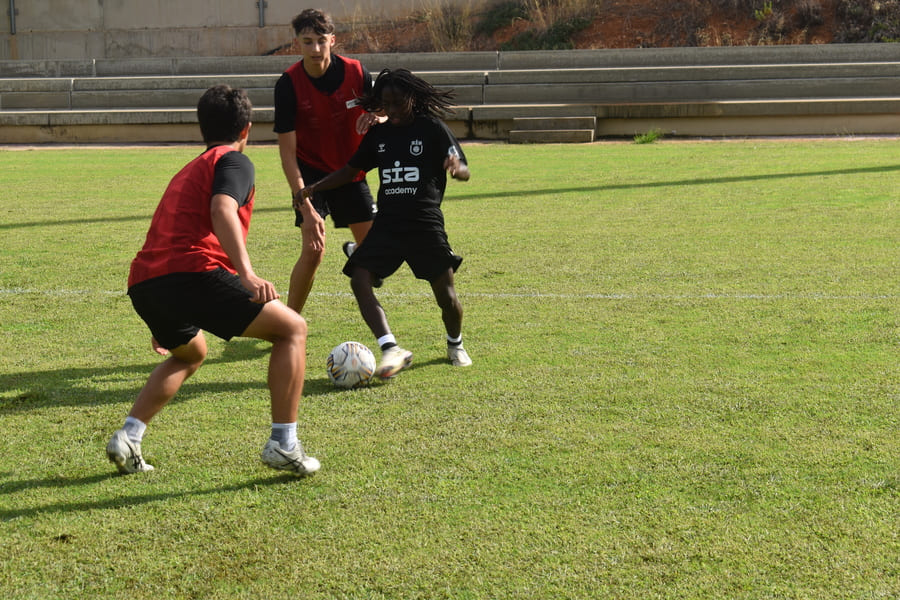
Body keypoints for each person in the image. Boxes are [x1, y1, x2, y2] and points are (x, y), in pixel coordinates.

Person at [106, 84, 319, 477]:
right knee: (293, 329)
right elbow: (222, 209)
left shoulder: (189, 168)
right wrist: (247, 273)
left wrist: (165, 309)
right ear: (247, 129)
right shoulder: (235, 161)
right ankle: (283, 444)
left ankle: (129, 435)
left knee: (191, 352)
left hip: (146, 283)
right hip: (190, 272)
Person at [298, 68, 473, 378]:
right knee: (359, 278)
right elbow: (351, 171)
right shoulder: (380, 135)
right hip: (388, 224)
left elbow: (462, 166)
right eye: (385, 103)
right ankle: (390, 347)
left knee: (446, 297)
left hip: (424, 224)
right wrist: (314, 188)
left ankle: (455, 343)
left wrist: (457, 168)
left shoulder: (432, 129)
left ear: (413, 98)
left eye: (397, 102)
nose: (391, 110)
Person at [274, 8, 384, 314]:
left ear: (333, 40)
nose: (315, 49)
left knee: (376, 259)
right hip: (311, 178)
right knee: (313, 251)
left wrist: (378, 116)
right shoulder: (288, 84)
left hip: (350, 172)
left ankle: (356, 252)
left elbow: (384, 112)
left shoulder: (357, 73)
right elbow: (286, 154)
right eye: (307, 42)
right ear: (298, 43)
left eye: (321, 40)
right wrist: (305, 206)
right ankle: (290, 324)